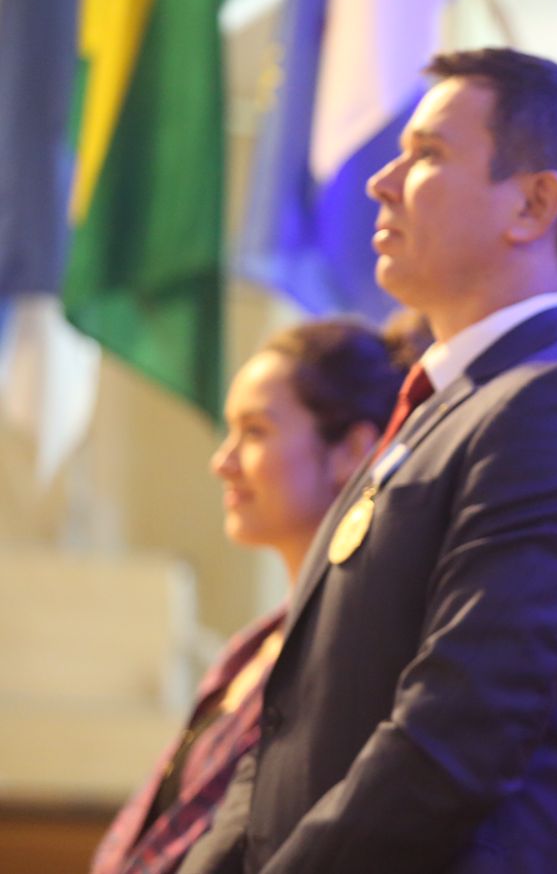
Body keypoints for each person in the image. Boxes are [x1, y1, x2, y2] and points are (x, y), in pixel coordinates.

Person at [179, 48, 557, 874]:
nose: (382, 182)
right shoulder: (437, 412)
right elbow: (286, 731)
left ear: (533, 205)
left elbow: (454, 736)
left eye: (428, 154)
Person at [93, 318, 417, 874]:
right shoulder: (254, 644)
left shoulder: (355, 655)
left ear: (353, 449)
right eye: (231, 431)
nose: (222, 461)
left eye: (256, 432)